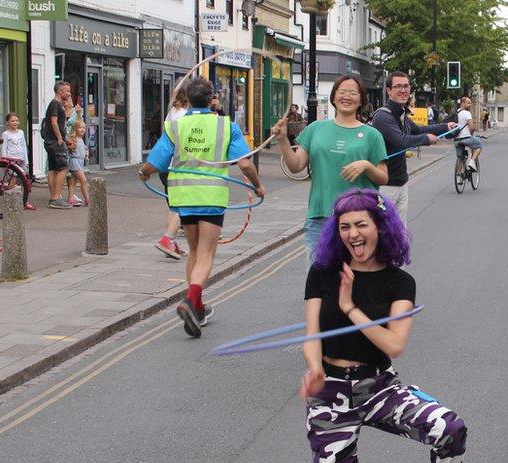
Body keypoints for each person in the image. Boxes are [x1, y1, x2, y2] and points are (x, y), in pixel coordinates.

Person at [301, 188, 467, 463]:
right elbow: (312, 334)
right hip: (330, 393)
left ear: (380, 226)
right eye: (344, 227)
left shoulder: (399, 282)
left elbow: (394, 344)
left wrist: (349, 308)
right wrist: (314, 368)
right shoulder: (322, 272)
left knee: (451, 429)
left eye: (361, 224)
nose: (353, 234)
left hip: (378, 387)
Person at [139, 77, 266, 338]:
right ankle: (191, 298)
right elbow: (244, 164)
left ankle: (196, 308)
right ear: (211, 99)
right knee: (207, 253)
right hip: (211, 197)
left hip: (183, 196)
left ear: (187, 97)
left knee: (195, 251)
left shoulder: (176, 125)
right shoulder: (225, 125)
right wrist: (257, 186)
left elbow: (157, 161)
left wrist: (143, 172)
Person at [275, 74, 389, 264]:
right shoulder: (315, 129)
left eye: (353, 93)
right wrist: (283, 140)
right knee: (319, 285)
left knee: (357, 282)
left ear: (361, 99)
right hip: (320, 218)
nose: (347, 97)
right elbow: (295, 166)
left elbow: (383, 177)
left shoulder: (372, 135)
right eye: (342, 92)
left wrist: (366, 166)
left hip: (359, 219)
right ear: (334, 97)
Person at [370, 71, 454, 225]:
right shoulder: (383, 116)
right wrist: (426, 139)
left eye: (406, 86)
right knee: (384, 232)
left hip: (401, 182)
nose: (403, 90)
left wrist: (445, 126)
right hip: (385, 186)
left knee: (399, 232)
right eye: (398, 86)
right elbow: (402, 141)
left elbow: (417, 130)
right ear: (388, 90)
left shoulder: (401, 114)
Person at [155, 89, 191, 259]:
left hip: (166, 166)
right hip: (178, 166)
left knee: (173, 205)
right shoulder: (185, 116)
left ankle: (170, 242)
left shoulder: (172, 112)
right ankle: (167, 240)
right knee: (183, 205)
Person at [41, 81, 72, 209]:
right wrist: (60, 138)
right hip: (54, 141)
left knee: (53, 169)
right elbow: (54, 122)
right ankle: (55, 198)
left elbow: (59, 124)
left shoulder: (58, 105)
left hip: (51, 141)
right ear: (60, 91)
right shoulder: (55, 104)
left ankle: (54, 197)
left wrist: (66, 138)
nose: (69, 93)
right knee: (63, 168)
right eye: (67, 91)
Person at [1, 112, 35, 210]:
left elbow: (24, 147)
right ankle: (11, 202)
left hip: (21, 160)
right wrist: (4, 162)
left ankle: (23, 201)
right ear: (7, 122)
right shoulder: (6, 134)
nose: (15, 122)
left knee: (24, 181)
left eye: (16, 120)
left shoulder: (21, 132)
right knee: (13, 182)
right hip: (11, 161)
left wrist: (26, 161)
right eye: (12, 121)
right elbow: (4, 148)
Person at [454, 96, 484, 172]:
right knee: (479, 145)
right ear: (463, 103)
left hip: (456, 140)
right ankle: (472, 162)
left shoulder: (456, 113)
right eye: (468, 103)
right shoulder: (467, 113)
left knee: (460, 157)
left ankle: (458, 177)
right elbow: (472, 127)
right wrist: (471, 134)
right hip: (466, 138)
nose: (470, 105)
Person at [66, 120, 89, 207]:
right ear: (75, 129)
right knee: (83, 181)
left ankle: (71, 198)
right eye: (80, 128)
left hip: (80, 161)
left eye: (84, 128)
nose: (82, 129)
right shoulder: (74, 138)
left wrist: (86, 153)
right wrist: (70, 146)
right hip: (75, 161)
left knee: (73, 182)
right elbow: (69, 147)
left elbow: (84, 148)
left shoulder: (81, 140)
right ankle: (87, 199)